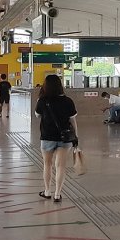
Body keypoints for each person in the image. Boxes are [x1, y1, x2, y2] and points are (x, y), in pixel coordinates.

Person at [35, 74, 79, 203]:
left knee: (47, 164)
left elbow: (37, 115)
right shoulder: (68, 101)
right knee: (60, 166)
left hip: (47, 136)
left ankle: (47, 191)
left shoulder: (42, 101)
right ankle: (58, 194)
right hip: (65, 138)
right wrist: (76, 136)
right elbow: (73, 121)